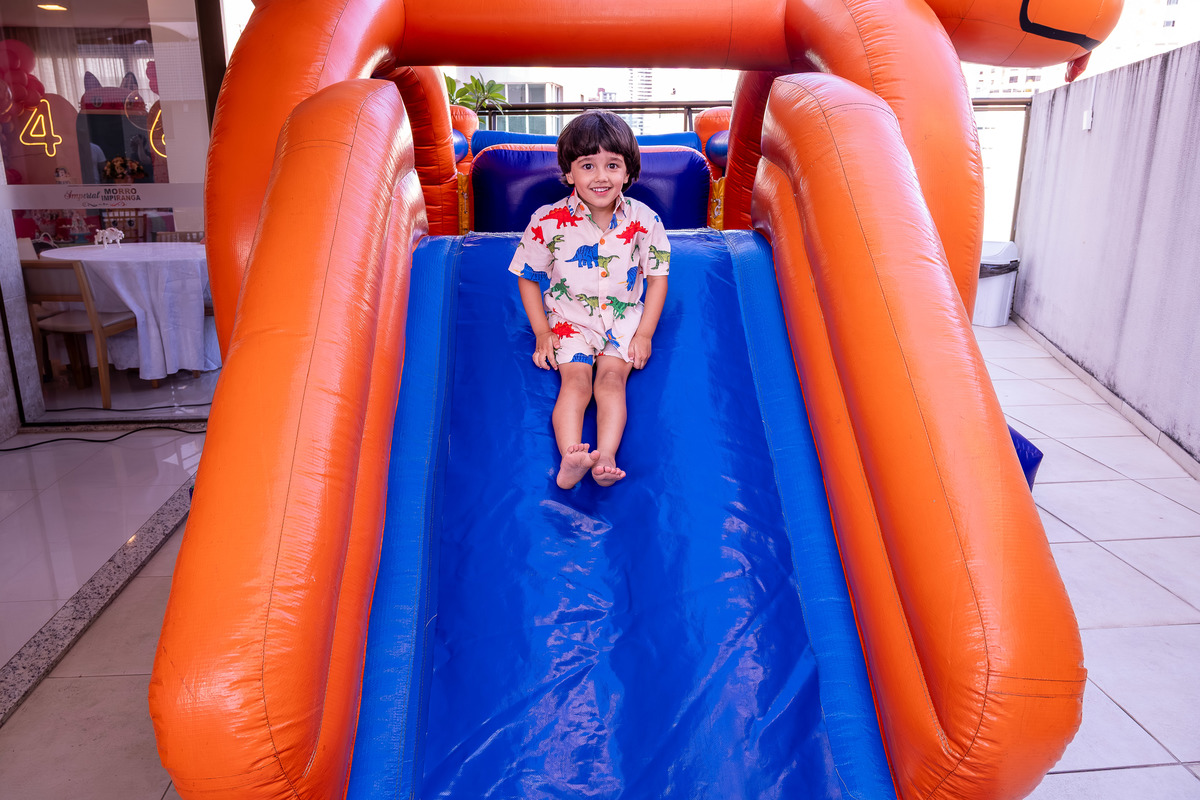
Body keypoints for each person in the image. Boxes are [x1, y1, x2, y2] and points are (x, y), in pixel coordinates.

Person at [508, 110, 670, 489]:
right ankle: (571, 456)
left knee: (612, 381)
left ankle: (606, 456)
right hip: (570, 319)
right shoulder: (547, 221)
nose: (601, 176)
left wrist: (644, 333)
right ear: (569, 173)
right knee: (576, 383)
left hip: (623, 319)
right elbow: (529, 277)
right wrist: (542, 332)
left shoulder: (645, 221)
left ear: (628, 172)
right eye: (588, 166)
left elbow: (658, 278)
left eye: (612, 165)